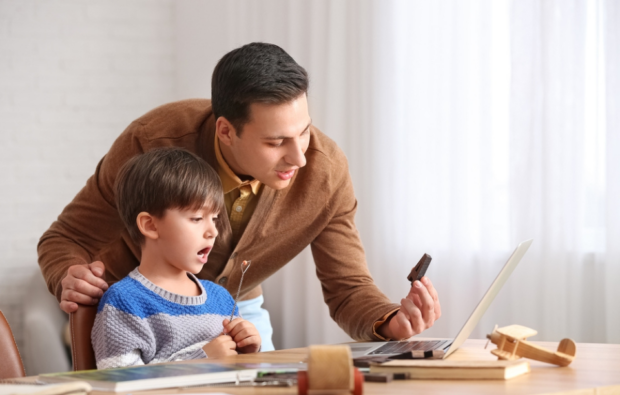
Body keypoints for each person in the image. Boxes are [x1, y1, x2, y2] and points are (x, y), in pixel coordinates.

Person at [38, 42, 441, 350]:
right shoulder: (152, 140)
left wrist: (389, 321)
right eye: (276, 141)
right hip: (138, 306)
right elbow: (65, 239)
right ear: (226, 131)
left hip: (234, 310)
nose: (299, 156)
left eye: (304, 131)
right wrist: (67, 276)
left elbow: (348, 287)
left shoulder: (326, 172)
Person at [92, 148, 261, 369]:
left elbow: (239, 376)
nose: (213, 231)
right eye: (197, 218)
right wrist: (200, 360)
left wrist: (247, 351)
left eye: (216, 218)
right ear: (150, 225)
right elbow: (119, 380)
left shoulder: (221, 299)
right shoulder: (125, 302)